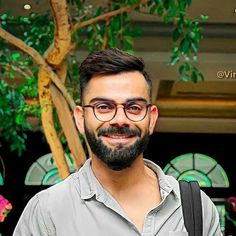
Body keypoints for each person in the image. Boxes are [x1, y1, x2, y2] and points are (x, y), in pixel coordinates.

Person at [13, 48, 222, 236]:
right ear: (80, 118)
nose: (120, 120)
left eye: (133, 108)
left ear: (151, 118)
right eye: (103, 107)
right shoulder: (47, 212)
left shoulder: (195, 207)